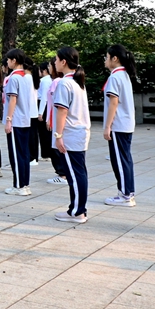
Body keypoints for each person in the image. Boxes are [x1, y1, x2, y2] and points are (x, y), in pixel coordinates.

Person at [52, 46, 91, 223]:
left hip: (70, 134)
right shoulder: (77, 82)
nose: (54, 62)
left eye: (56, 59)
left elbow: (62, 111)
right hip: (79, 133)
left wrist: (58, 136)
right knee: (79, 172)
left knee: (75, 174)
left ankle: (77, 211)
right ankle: (77, 209)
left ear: (64, 61)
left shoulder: (65, 83)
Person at [104, 44, 138, 207]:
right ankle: (126, 192)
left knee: (120, 160)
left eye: (107, 56)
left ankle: (125, 194)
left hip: (118, 125)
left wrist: (107, 126)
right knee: (125, 159)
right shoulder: (123, 75)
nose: (105, 60)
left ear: (114, 58)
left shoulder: (115, 77)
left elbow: (113, 103)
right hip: (126, 123)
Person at [3, 48, 35, 196]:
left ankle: (18, 185)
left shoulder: (13, 78)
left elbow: (12, 100)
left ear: (14, 61)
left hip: (16, 120)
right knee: (24, 154)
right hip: (25, 119)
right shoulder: (26, 77)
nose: (7, 63)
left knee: (16, 154)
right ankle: (25, 184)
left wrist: (8, 119)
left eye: (8, 60)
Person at [44, 60, 69, 185]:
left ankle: (62, 174)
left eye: (50, 65)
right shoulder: (60, 81)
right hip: (54, 116)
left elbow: (54, 104)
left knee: (56, 146)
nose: (48, 67)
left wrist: (49, 118)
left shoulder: (56, 82)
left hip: (55, 117)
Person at [36, 62, 54, 161]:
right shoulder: (49, 80)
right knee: (44, 131)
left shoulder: (44, 81)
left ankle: (46, 153)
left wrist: (40, 112)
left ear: (44, 70)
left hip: (44, 105)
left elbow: (44, 97)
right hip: (46, 105)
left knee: (44, 132)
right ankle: (46, 152)